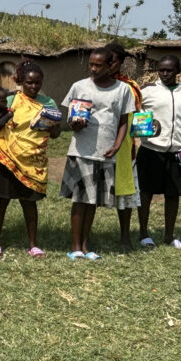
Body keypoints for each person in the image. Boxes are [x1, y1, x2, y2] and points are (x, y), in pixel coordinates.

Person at [60, 47, 136, 260]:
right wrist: (75, 124)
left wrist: (118, 145)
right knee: (79, 199)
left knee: (92, 201)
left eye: (98, 65)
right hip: (81, 150)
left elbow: (123, 121)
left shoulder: (123, 90)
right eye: (91, 64)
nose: (93, 68)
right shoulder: (79, 86)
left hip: (105, 152)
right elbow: (69, 119)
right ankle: (75, 246)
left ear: (110, 65)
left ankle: (85, 245)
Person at [0, 61, 61, 258]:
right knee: (1, 200)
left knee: (29, 202)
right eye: (29, 83)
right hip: (5, 156)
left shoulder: (49, 103)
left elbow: (56, 134)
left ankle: (33, 243)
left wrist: (52, 126)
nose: (33, 87)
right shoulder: (10, 99)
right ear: (21, 82)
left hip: (32, 160)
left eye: (37, 83)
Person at [137, 55, 181, 248]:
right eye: (161, 70)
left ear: (178, 71)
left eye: (169, 70)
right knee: (146, 193)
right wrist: (149, 126)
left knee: (173, 194)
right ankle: (143, 233)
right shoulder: (148, 91)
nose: (165, 73)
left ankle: (169, 235)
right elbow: (134, 114)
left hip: (178, 151)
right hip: (151, 150)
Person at [104, 42, 143, 250]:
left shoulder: (130, 87)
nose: (109, 65)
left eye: (113, 61)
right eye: (106, 60)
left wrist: (145, 130)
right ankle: (83, 238)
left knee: (126, 192)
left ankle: (125, 235)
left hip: (125, 147)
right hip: (97, 143)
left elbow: (138, 117)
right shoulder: (95, 83)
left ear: (121, 62)